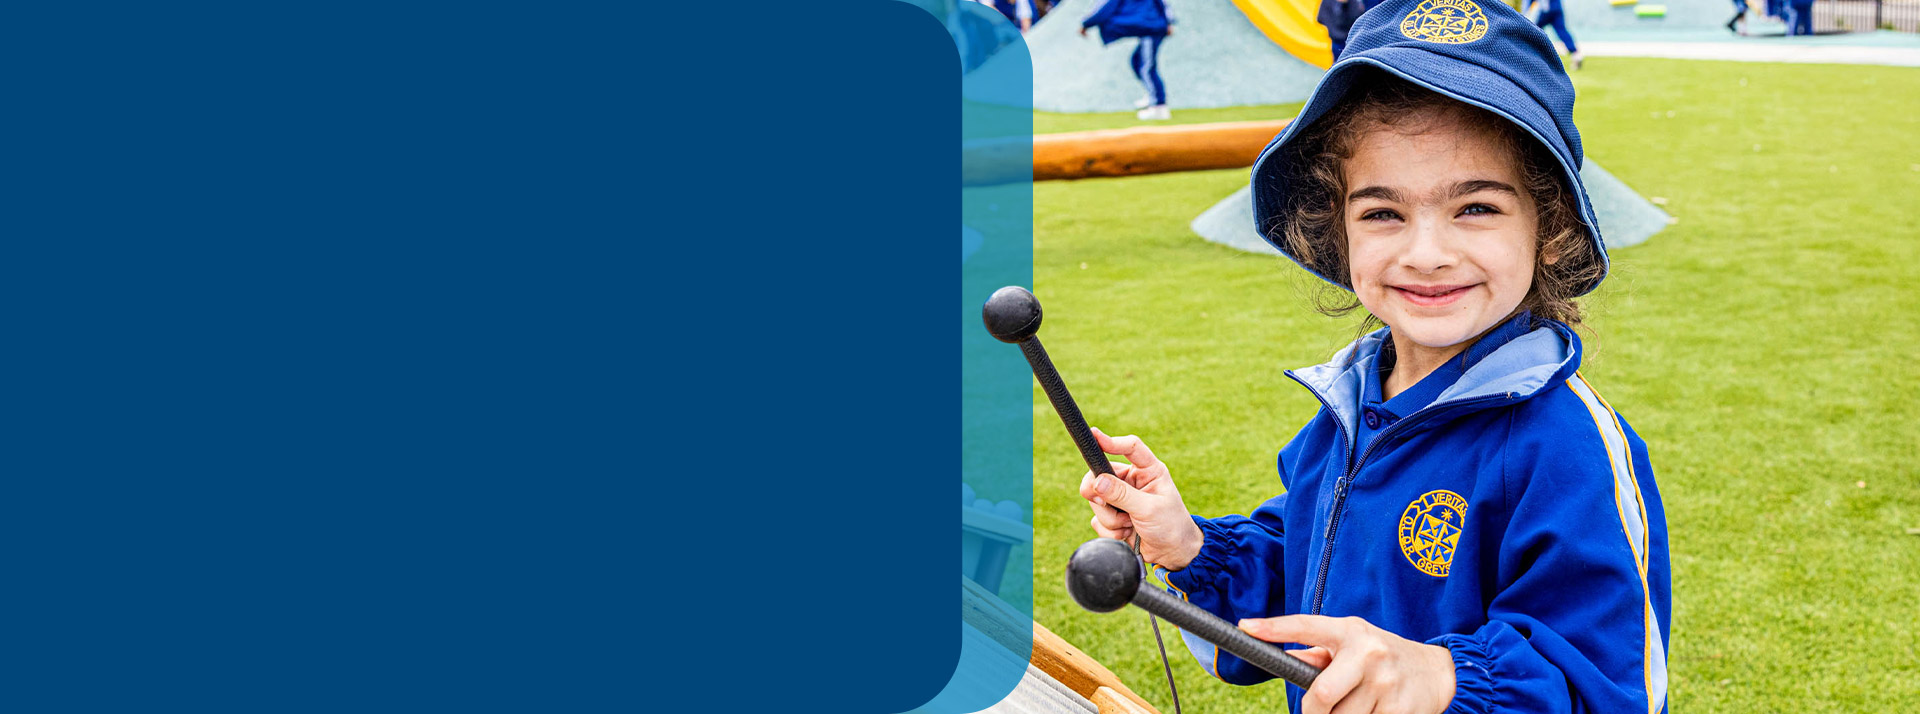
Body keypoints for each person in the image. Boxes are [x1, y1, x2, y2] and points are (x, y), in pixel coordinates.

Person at [1074, 0, 1670, 712]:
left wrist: (1439, 677)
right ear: (1341, 230)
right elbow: (1300, 575)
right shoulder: (1351, 407)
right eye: (1382, 213)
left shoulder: (1567, 447)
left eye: (1475, 207)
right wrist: (1190, 545)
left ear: (1548, 228)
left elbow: (1604, 682)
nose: (1426, 254)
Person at [1079, 0, 1175, 120]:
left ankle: (1159, 107)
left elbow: (1104, 9)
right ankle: (1152, 95)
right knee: (1136, 61)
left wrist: (1086, 24)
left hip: (1151, 28)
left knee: (1146, 67)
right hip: (1149, 27)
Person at [1526, 0, 1583, 69]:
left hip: (1545, 9)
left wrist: (1527, 11)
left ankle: (1533, 55)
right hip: (1556, 8)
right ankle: (1576, 54)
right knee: (1562, 31)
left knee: (1534, 31)